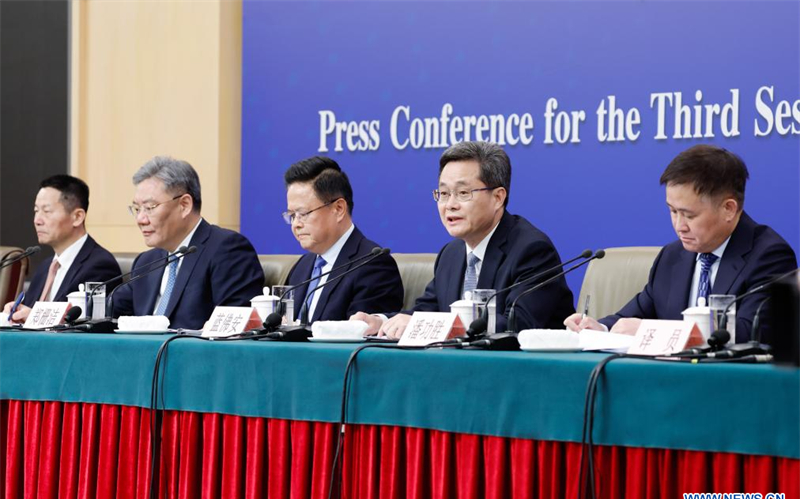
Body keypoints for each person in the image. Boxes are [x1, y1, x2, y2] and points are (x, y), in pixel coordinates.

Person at [565, 144, 797, 344]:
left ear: (728, 209)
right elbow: (635, 315)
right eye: (673, 211)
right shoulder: (672, 256)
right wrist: (599, 328)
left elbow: (751, 333)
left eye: (689, 215)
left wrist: (651, 331)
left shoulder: (769, 256)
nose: (679, 226)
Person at [353, 141, 575, 339]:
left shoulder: (532, 250)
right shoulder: (451, 254)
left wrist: (443, 324)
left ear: (498, 197)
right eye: (444, 193)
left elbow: (518, 325)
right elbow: (426, 311)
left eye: (463, 193)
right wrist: (382, 321)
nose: (450, 205)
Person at [112, 156, 264, 329]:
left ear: (184, 205)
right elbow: (109, 313)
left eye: (149, 208)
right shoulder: (147, 262)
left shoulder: (227, 250)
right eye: (137, 209)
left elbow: (233, 328)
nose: (140, 219)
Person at [283, 156, 403, 323]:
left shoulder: (373, 265)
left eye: (303, 214)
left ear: (339, 209)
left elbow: (360, 333)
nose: (296, 224)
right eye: (292, 215)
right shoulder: (301, 267)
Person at [3, 175, 120, 323]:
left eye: (47, 211)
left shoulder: (100, 265)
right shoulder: (46, 267)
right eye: (36, 211)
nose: (37, 220)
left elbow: (80, 322)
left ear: (77, 217)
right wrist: (18, 312)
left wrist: (33, 316)